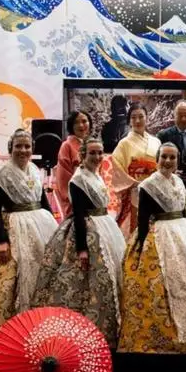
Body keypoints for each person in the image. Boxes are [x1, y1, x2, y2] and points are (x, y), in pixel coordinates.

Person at [118, 143, 186, 354]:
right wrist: (140, 249)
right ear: (157, 159)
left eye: (172, 157)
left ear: (177, 161)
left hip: (184, 232)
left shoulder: (179, 181)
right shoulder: (148, 185)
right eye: (164, 157)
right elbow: (143, 220)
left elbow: (183, 211)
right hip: (160, 236)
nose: (168, 161)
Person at [33, 138, 126, 348]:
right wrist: (82, 249)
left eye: (100, 152)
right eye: (92, 153)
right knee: (89, 282)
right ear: (82, 155)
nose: (97, 157)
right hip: (88, 230)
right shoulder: (78, 180)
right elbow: (79, 215)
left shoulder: (96, 175)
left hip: (105, 226)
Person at [0, 130, 59, 313]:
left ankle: (44, 310)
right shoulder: (0, 174)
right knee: (24, 268)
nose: (23, 150)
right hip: (17, 225)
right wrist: (1, 240)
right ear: (10, 148)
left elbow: (42, 199)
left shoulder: (34, 169)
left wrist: (56, 227)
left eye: (27, 146)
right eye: (18, 146)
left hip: (42, 223)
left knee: (47, 267)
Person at [111, 103, 161, 237]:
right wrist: (134, 183)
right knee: (135, 227)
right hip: (135, 189)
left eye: (141, 117)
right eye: (133, 117)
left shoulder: (156, 142)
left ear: (147, 118)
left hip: (154, 188)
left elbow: (160, 165)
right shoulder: (124, 143)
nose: (137, 121)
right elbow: (117, 167)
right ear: (129, 121)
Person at [156, 100, 186, 187]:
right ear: (174, 115)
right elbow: (156, 162)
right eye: (180, 115)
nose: (183, 119)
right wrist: (170, 172)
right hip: (169, 184)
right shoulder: (163, 136)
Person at [54, 110, 92, 217]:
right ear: (71, 125)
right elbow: (63, 177)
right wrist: (73, 197)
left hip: (93, 196)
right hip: (76, 198)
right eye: (76, 122)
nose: (81, 125)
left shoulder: (91, 144)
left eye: (84, 121)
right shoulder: (67, 146)